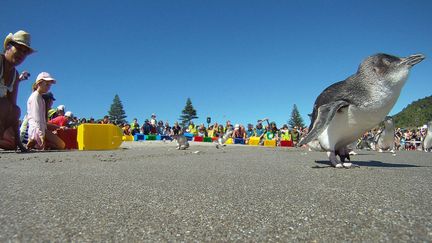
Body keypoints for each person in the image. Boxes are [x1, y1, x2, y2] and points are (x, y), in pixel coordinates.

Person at [0, 30, 34, 150]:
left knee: (15, 110)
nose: (21, 54)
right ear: (8, 46)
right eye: (18, 48)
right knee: (4, 105)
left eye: (25, 52)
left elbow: (13, 107)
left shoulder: (15, 74)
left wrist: (19, 143)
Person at [26, 72, 65, 150]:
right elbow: (36, 119)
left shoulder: (39, 97)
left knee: (61, 144)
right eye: (46, 84)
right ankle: (36, 142)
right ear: (39, 83)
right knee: (61, 145)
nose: (48, 87)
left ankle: (36, 143)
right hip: (37, 129)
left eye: (49, 85)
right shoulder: (36, 96)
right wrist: (40, 134)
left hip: (40, 129)